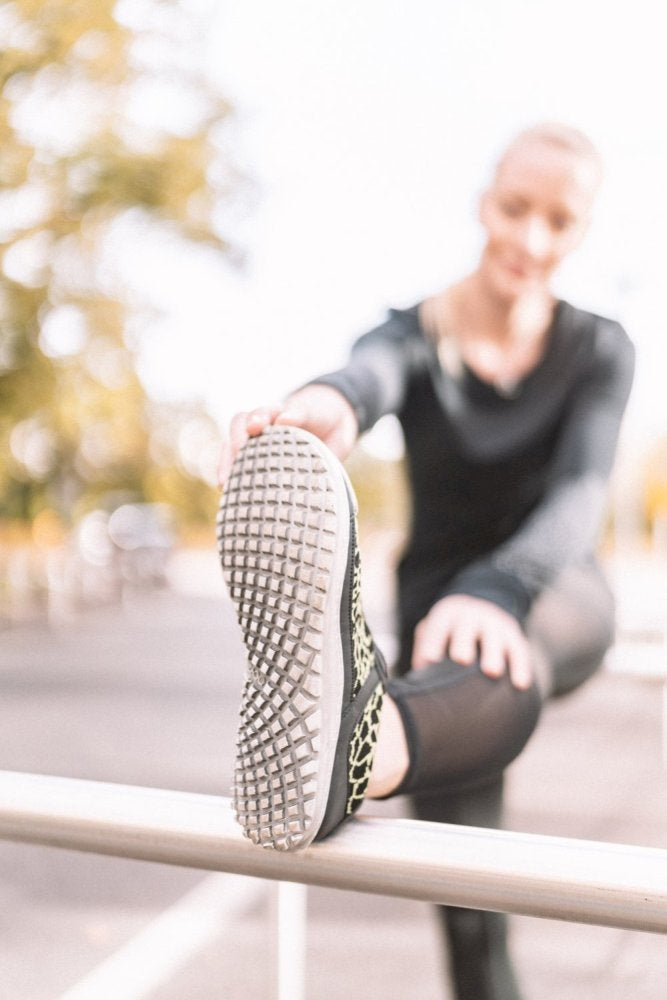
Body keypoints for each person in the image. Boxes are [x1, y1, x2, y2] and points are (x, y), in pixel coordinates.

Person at [217, 122, 635, 1000]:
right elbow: (367, 374)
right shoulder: (415, 331)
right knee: (473, 926)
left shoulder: (600, 348)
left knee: (500, 647)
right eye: (514, 207)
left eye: (556, 221)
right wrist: (322, 407)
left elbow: (580, 492)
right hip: (437, 619)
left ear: (579, 235)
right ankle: (364, 734)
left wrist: (499, 589)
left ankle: (353, 742)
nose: (528, 238)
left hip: (548, 585)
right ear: (483, 202)